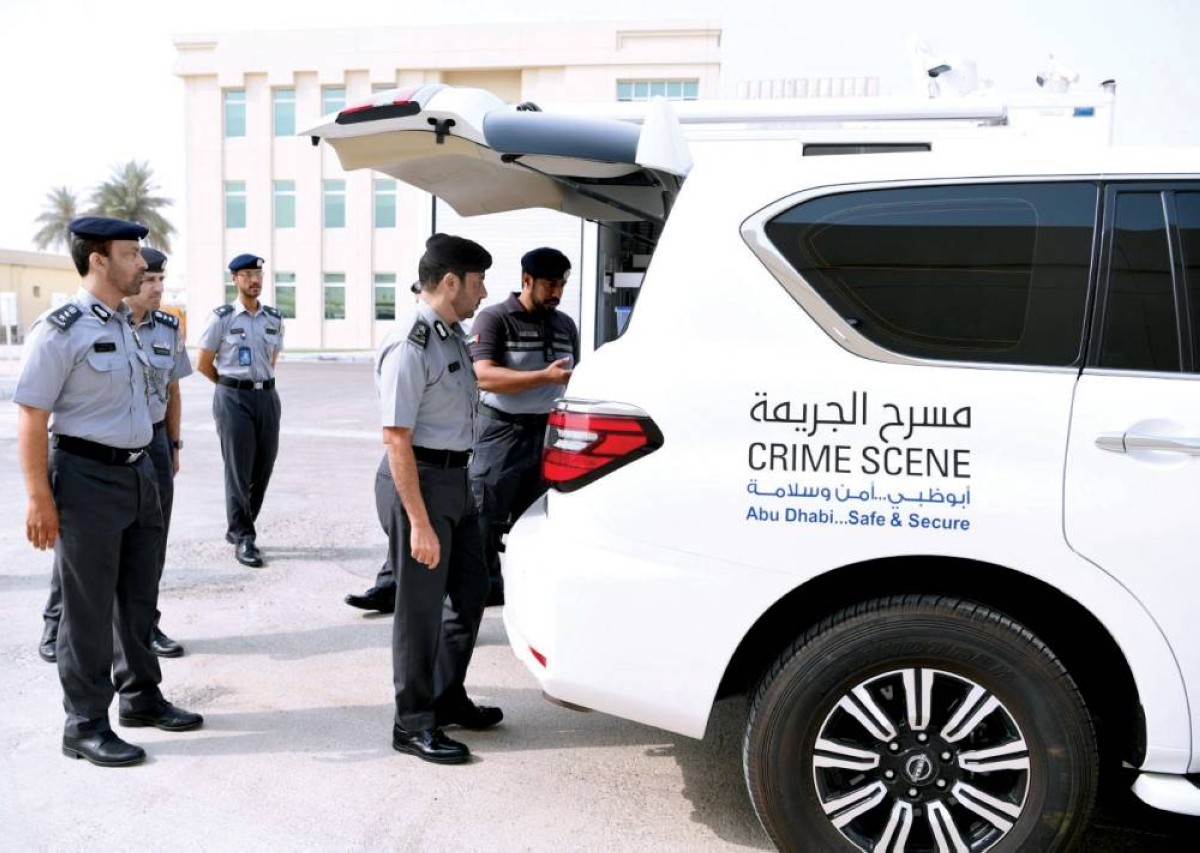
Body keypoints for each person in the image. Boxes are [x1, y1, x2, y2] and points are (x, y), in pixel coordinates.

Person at [14, 216, 204, 768]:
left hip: (140, 470)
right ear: (98, 260)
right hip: (86, 477)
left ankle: (141, 696)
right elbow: (32, 416)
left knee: (139, 596)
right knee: (88, 609)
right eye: (130, 254)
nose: (142, 263)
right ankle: (85, 724)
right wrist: (39, 498)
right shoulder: (61, 329)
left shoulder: (129, 323)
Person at [377, 233, 500, 764]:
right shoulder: (412, 343)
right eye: (478, 282)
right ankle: (412, 723)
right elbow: (396, 438)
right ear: (451, 282)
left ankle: (446, 696)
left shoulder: (451, 335)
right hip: (419, 481)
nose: (483, 292)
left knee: (472, 591)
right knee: (420, 611)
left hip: (456, 480)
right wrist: (419, 522)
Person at [37, 247, 191, 662]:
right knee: (82, 553)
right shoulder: (88, 324)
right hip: (92, 454)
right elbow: (36, 411)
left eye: (160, 279)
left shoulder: (165, 328)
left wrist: (173, 445)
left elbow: (172, 391)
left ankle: (144, 629)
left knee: (148, 545)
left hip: (151, 443)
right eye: (149, 277)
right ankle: (57, 622)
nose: (156, 286)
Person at [467, 247, 578, 606]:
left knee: (538, 519)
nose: (557, 293)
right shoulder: (494, 319)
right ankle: (481, 592)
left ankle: (525, 592)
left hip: (547, 434)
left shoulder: (565, 325)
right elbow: (484, 377)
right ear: (526, 280)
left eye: (562, 285)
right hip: (501, 433)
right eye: (550, 284)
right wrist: (544, 377)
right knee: (484, 516)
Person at [196, 254, 283, 568]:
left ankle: (241, 526)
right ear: (234, 279)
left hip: (267, 397)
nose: (254, 280)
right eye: (247, 274)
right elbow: (203, 363)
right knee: (238, 468)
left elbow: (272, 359)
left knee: (264, 466)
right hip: (233, 397)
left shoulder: (274, 318)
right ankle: (244, 535)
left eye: (258, 274)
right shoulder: (222, 317)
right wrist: (230, 386)